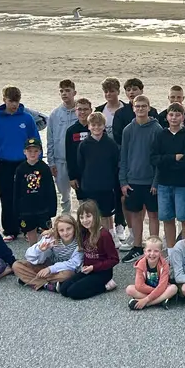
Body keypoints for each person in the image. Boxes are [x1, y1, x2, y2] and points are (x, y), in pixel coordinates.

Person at [0, 86, 42, 240]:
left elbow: (35, 140)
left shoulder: (27, 118)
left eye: (17, 101)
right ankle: (10, 229)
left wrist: (37, 160)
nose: (14, 105)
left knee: (28, 196)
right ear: (4, 100)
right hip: (5, 164)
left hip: (25, 163)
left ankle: (29, 227)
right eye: (11, 101)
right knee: (7, 197)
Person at [118, 96, 161, 257]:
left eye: (144, 106)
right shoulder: (128, 130)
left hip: (150, 181)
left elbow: (158, 159)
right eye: (138, 106)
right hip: (132, 181)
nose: (141, 109)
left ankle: (154, 247)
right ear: (133, 107)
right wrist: (123, 181)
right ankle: (137, 246)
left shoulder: (157, 129)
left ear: (149, 108)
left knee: (153, 215)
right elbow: (124, 157)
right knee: (135, 214)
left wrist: (156, 182)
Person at [153, 102, 185, 247]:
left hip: (183, 184)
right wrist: (173, 158)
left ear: (183, 117)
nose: (174, 118)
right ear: (167, 116)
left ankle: (184, 249)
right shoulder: (161, 135)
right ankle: (171, 250)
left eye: (177, 115)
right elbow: (154, 159)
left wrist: (166, 160)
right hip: (164, 183)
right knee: (167, 218)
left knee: (184, 218)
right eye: (171, 115)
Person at [77, 112, 123, 247]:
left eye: (99, 125)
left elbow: (115, 164)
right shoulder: (84, 145)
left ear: (104, 126)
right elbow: (81, 165)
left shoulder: (110, 144)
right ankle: (93, 238)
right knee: (91, 213)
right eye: (93, 125)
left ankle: (111, 235)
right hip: (90, 185)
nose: (96, 127)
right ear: (89, 126)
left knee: (107, 214)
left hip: (107, 185)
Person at [60, 199, 120, 300]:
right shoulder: (84, 232)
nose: (85, 220)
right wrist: (50, 232)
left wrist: (93, 267)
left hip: (102, 272)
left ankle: (106, 286)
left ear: (95, 216)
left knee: (73, 292)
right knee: (64, 289)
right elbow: (65, 229)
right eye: (81, 217)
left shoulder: (104, 235)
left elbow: (114, 259)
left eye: (88, 216)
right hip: (88, 270)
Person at [93, 77, 128, 235]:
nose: (109, 94)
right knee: (108, 192)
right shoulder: (99, 110)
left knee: (121, 192)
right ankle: (109, 229)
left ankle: (121, 224)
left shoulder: (126, 109)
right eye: (106, 91)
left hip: (123, 157)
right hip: (105, 159)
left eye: (112, 91)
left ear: (118, 92)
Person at [14, 214, 81, 291]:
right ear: (57, 231)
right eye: (61, 230)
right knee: (17, 265)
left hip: (62, 270)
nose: (65, 233)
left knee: (68, 274)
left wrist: (50, 269)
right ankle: (48, 284)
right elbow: (28, 256)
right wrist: (39, 250)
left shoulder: (79, 242)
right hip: (46, 266)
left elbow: (74, 263)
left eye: (69, 229)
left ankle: (32, 281)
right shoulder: (51, 238)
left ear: (74, 228)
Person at [12, 137, 57, 244]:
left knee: (48, 233)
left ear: (40, 152)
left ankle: (48, 256)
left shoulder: (44, 168)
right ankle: (34, 257)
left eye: (36, 151)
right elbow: (16, 191)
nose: (33, 154)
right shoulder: (20, 169)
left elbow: (51, 189)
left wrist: (52, 208)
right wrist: (16, 210)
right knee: (30, 232)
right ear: (24, 152)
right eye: (29, 151)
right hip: (26, 208)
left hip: (43, 208)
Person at [46, 79, 80, 215]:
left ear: (74, 92)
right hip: (60, 161)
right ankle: (66, 220)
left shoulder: (81, 112)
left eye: (67, 91)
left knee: (82, 194)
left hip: (78, 161)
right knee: (64, 196)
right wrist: (51, 162)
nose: (64, 94)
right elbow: (50, 139)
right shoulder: (55, 114)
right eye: (61, 91)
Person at [126, 236, 178, 310]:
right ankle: (160, 301)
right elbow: (139, 286)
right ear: (144, 251)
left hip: (161, 288)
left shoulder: (164, 265)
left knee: (173, 288)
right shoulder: (141, 264)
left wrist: (145, 300)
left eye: (156, 251)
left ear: (160, 252)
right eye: (149, 250)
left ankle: (148, 304)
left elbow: (162, 286)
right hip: (150, 291)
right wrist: (156, 292)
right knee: (129, 289)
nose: (152, 254)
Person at [63, 97, 94, 205]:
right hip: (79, 175)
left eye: (85, 109)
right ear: (75, 111)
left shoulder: (97, 128)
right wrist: (72, 177)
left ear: (91, 110)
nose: (82, 112)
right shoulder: (71, 131)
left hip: (95, 175)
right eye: (79, 109)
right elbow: (69, 156)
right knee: (84, 205)